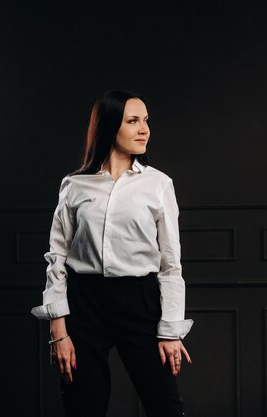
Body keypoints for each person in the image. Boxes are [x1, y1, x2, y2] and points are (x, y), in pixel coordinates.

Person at [31, 90, 193, 417]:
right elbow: (57, 257)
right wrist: (58, 333)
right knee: (82, 407)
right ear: (108, 127)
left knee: (165, 406)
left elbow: (170, 265)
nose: (144, 129)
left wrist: (171, 330)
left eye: (146, 121)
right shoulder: (75, 185)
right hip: (85, 304)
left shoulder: (159, 185)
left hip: (140, 301)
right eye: (133, 121)